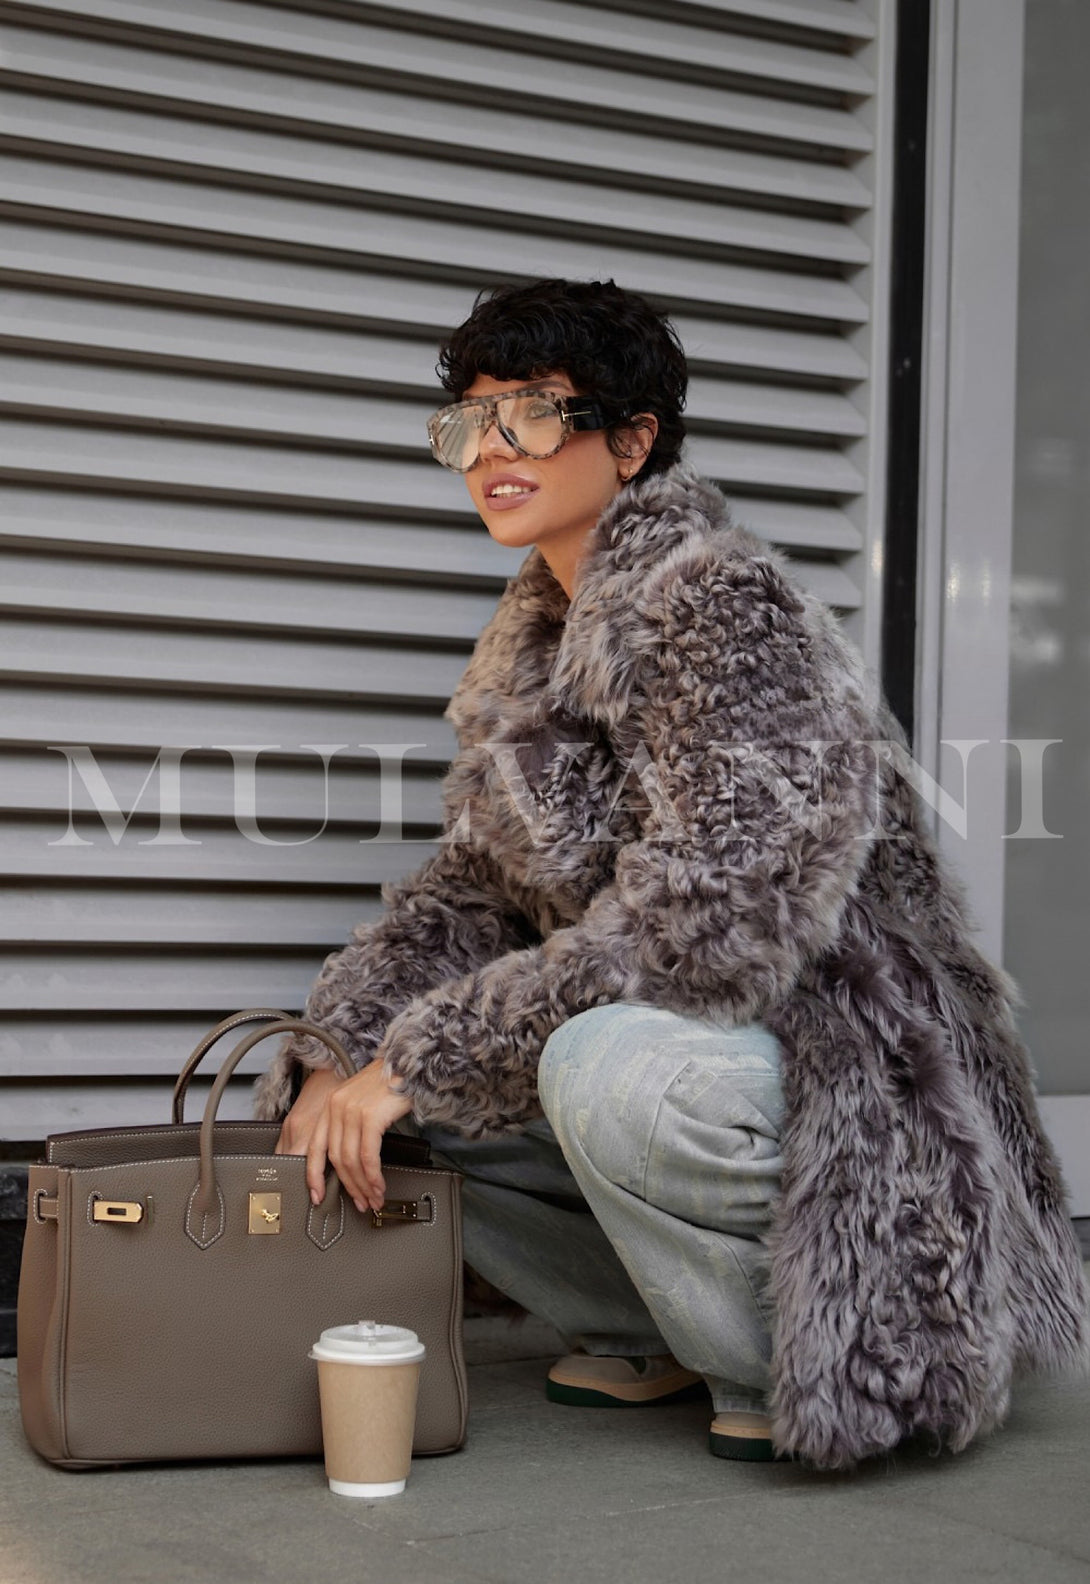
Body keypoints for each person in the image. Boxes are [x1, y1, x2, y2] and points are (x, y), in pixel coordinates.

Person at [257, 278, 1088, 1471]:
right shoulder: (529, 639)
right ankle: (645, 1328)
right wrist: (345, 1052)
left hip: (833, 1051)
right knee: (387, 1098)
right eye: (469, 424)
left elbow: (714, 923)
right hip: (701, 1046)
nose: (490, 450)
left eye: (532, 415)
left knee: (589, 1061)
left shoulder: (721, 605)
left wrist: (423, 1055)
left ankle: (793, 1348)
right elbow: (470, 892)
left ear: (630, 439)